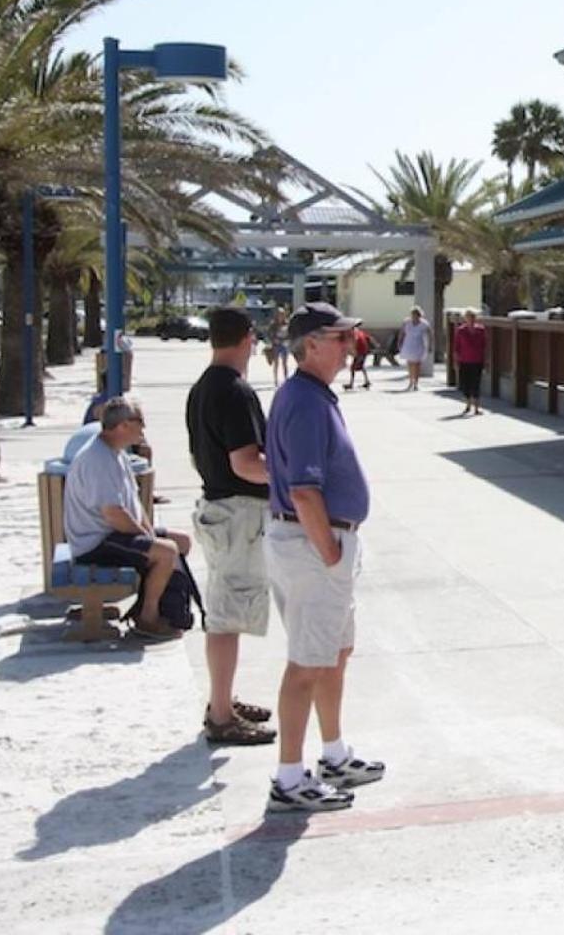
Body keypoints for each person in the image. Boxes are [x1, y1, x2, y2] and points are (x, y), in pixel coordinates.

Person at [264, 302, 384, 814]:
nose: (349, 345)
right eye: (338, 338)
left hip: (322, 544)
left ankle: (333, 753)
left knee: (334, 653)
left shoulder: (313, 396)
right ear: (311, 345)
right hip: (315, 545)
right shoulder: (306, 403)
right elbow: (305, 490)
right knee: (307, 663)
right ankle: (290, 777)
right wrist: (330, 552)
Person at [185, 308, 278, 746]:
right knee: (226, 615)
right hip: (238, 514)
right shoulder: (234, 391)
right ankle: (221, 715)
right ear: (248, 338)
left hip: (218, 508)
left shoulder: (203, 386)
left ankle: (223, 699)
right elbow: (246, 463)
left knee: (225, 609)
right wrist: (290, 476)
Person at [62, 397, 190, 642]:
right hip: (96, 542)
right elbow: (113, 515)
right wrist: (148, 539)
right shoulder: (96, 460)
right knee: (166, 552)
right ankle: (147, 618)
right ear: (123, 426)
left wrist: (149, 532)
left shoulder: (116, 453)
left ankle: (154, 605)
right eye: (140, 423)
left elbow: (133, 503)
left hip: (113, 534)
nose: (143, 430)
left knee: (181, 542)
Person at [452, 310, 488, 416]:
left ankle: (476, 408)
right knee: (465, 384)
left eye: (472, 317)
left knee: (476, 383)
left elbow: (484, 345)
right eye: (468, 317)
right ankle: (468, 405)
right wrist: (456, 361)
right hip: (464, 360)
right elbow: (456, 347)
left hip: (477, 360)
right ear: (465, 318)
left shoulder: (481, 330)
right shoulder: (461, 330)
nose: (471, 319)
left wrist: (485, 360)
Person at [397, 307, 432, 392]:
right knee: (410, 364)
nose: (414, 316)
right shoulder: (406, 322)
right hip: (408, 344)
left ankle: (416, 383)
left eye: (416, 314)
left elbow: (430, 334)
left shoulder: (424, 323)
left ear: (419, 315)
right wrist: (399, 342)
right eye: (413, 314)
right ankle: (410, 382)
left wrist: (430, 345)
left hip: (418, 345)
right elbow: (402, 332)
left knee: (417, 365)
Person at [267, 308, 291, 388]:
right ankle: (276, 380)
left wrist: (287, 340)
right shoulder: (273, 324)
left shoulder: (287, 323)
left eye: (282, 314)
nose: (281, 316)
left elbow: (290, 334)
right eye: (279, 314)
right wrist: (273, 340)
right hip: (276, 345)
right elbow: (269, 334)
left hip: (284, 345)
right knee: (276, 363)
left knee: (285, 363)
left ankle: (286, 379)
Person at [345, 327, 373, 391]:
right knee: (361, 366)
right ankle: (367, 381)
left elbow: (355, 341)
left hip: (360, 352)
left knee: (353, 367)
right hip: (364, 352)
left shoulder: (355, 334)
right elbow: (369, 338)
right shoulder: (360, 332)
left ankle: (351, 384)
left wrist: (352, 351)